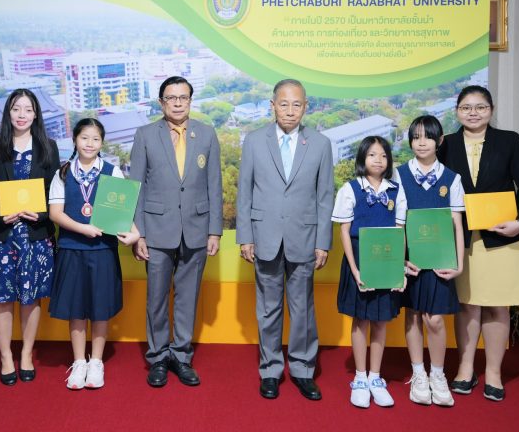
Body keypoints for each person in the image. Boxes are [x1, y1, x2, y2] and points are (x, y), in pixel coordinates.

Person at [438, 85, 519, 402]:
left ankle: (494, 372)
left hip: (502, 237)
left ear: (491, 110)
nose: (473, 113)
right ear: (457, 111)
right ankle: (465, 367)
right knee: (467, 304)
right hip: (462, 238)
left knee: (498, 305)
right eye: (466, 107)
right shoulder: (446, 144)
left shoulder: (509, 141)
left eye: (480, 107)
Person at [236, 79, 334, 401]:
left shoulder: (320, 144)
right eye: (284, 104)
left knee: (302, 308)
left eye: (296, 105)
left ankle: (303, 369)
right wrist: (245, 236)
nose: (290, 111)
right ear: (272, 105)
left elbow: (325, 197)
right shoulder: (254, 141)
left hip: (305, 237)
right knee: (268, 309)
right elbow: (245, 192)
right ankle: (270, 370)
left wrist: (323, 241)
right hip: (264, 237)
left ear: (306, 107)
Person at [130, 76, 223, 388]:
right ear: (162, 103)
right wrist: (139, 234)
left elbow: (214, 185)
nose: (178, 103)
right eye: (172, 98)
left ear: (191, 101)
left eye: (184, 97)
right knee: (156, 299)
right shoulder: (145, 135)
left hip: (197, 229)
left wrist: (214, 231)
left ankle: (181, 356)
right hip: (156, 231)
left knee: (188, 298)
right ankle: (158, 357)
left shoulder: (207, 134)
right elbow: (136, 187)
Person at [0, 88, 60, 386]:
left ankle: (26, 354)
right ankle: (6, 356)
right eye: (16, 109)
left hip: (35, 235)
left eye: (28, 109)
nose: (22, 115)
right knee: (2, 298)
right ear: (8, 113)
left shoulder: (48, 146)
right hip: (0, 235)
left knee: (31, 298)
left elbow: (54, 189)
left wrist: (42, 213)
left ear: (36, 114)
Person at [48, 118, 140, 390]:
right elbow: (55, 213)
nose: (90, 143)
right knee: (76, 308)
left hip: (103, 250)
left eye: (96, 139)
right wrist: (83, 229)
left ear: (102, 142)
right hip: (71, 248)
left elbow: (123, 211)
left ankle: (96, 362)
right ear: (75, 140)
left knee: (100, 307)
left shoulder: (112, 172)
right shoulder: (63, 173)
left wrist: (135, 234)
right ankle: (79, 362)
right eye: (84, 138)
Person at [332, 136, 407, 408]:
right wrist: (355, 270)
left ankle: (376, 377)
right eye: (373, 154)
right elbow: (344, 232)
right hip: (360, 262)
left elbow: (400, 231)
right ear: (362, 158)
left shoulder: (396, 191)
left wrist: (399, 269)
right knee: (361, 320)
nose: (379, 160)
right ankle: (360, 378)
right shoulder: (350, 189)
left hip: (386, 261)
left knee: (381, 321)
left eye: (384, 155)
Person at [397, 116, 465, 407]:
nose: (421, 143)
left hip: (440, 261)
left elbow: (457, 224)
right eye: (416, 137)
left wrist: (459, 264)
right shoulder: (398, 175)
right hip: (411, 261)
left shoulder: (452, 178)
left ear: (440, 141)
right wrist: (399, 261)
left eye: (427, 137)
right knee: (413, 314)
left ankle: (438, 374)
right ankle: (418, 374)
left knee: (434, 319)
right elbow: (397, 224)